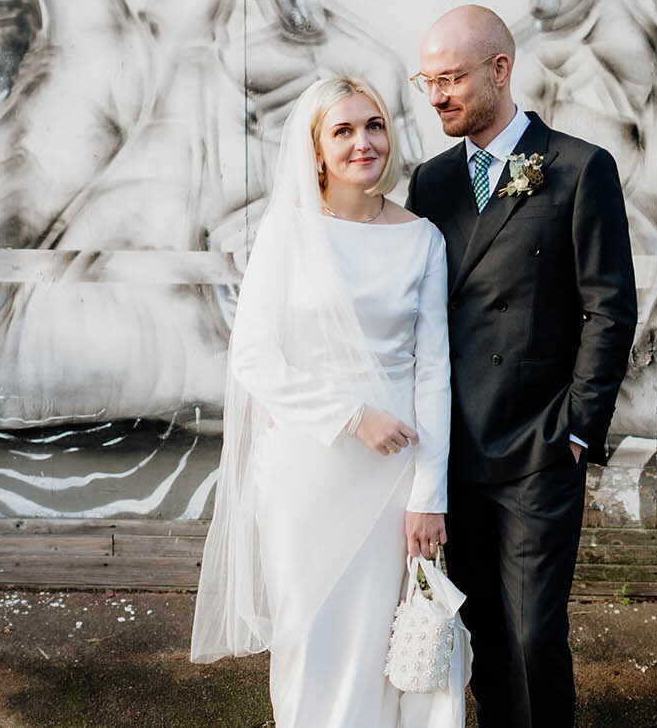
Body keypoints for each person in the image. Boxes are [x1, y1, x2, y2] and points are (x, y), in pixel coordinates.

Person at [190, 75, 457, 728]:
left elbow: (434, 373)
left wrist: (430, 493)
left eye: (374, 125)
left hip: (396, 473)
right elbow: (254, 357)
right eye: (343, 131)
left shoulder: (423, 239)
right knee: (310, 636)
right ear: (315, 150)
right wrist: (351, 416)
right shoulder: (288, 231)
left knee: (386, 638)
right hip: (305, 472)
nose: (363, 142)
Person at [405, 5, 639, 728]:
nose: (436, 96)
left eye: (450, 79)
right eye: (427, 81)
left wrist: (578, 428)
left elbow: (610, 309)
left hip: (539, 444)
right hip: (456, 446)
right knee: (484, 635)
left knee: (535, 634)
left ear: (500, 70)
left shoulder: (578, 168)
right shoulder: (431, 183)